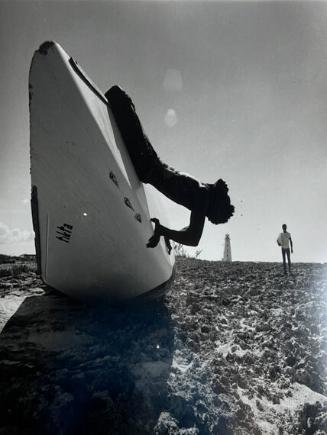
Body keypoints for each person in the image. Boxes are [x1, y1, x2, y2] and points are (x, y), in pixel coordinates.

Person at [106, 85, 234, 250]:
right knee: (119, 98)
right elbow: (193, 239)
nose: (204, 216)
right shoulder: (202, 196)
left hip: (150, 163)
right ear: (214, 206)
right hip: (147, 165)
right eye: (209, 215)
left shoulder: (201, 190)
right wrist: (162, 232)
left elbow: (189, 230)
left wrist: (166, 233)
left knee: (124, 107)